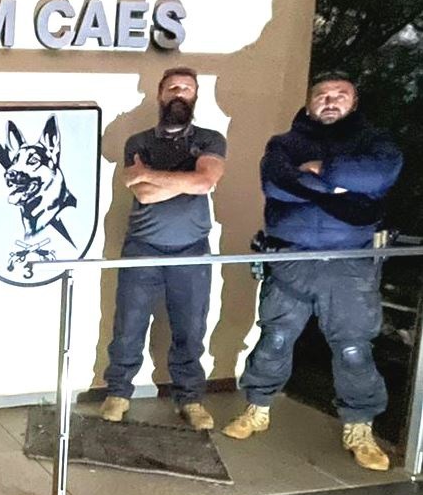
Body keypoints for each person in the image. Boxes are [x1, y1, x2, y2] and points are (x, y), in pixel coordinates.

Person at [222, 71, 402, 471]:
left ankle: (360, 428)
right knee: (275, 339)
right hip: (290, 260)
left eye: (340, 94)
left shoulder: (374, 143)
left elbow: (380, 175)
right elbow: (278, 185)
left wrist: (323, 170)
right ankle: (257, 409)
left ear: (354, 102)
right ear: (308, 102)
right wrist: (345, 190)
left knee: (353, 350)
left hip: (349, 266)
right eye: (322, 94)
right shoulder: (285, 144)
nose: (330, 100)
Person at [99, 67, 226, 430]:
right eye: (172, 88)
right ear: (160, 95)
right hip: (142, 247)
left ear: (195, 95)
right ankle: (118, 393)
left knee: (191, 327)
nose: (179, 93)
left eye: (186, 88)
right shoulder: (138, 141)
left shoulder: (210, 139)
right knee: (129, 324)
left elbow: (204, 182)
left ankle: (190, 399)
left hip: (192, 249)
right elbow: (143, 193)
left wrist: (152, 175)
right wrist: (184, 181)